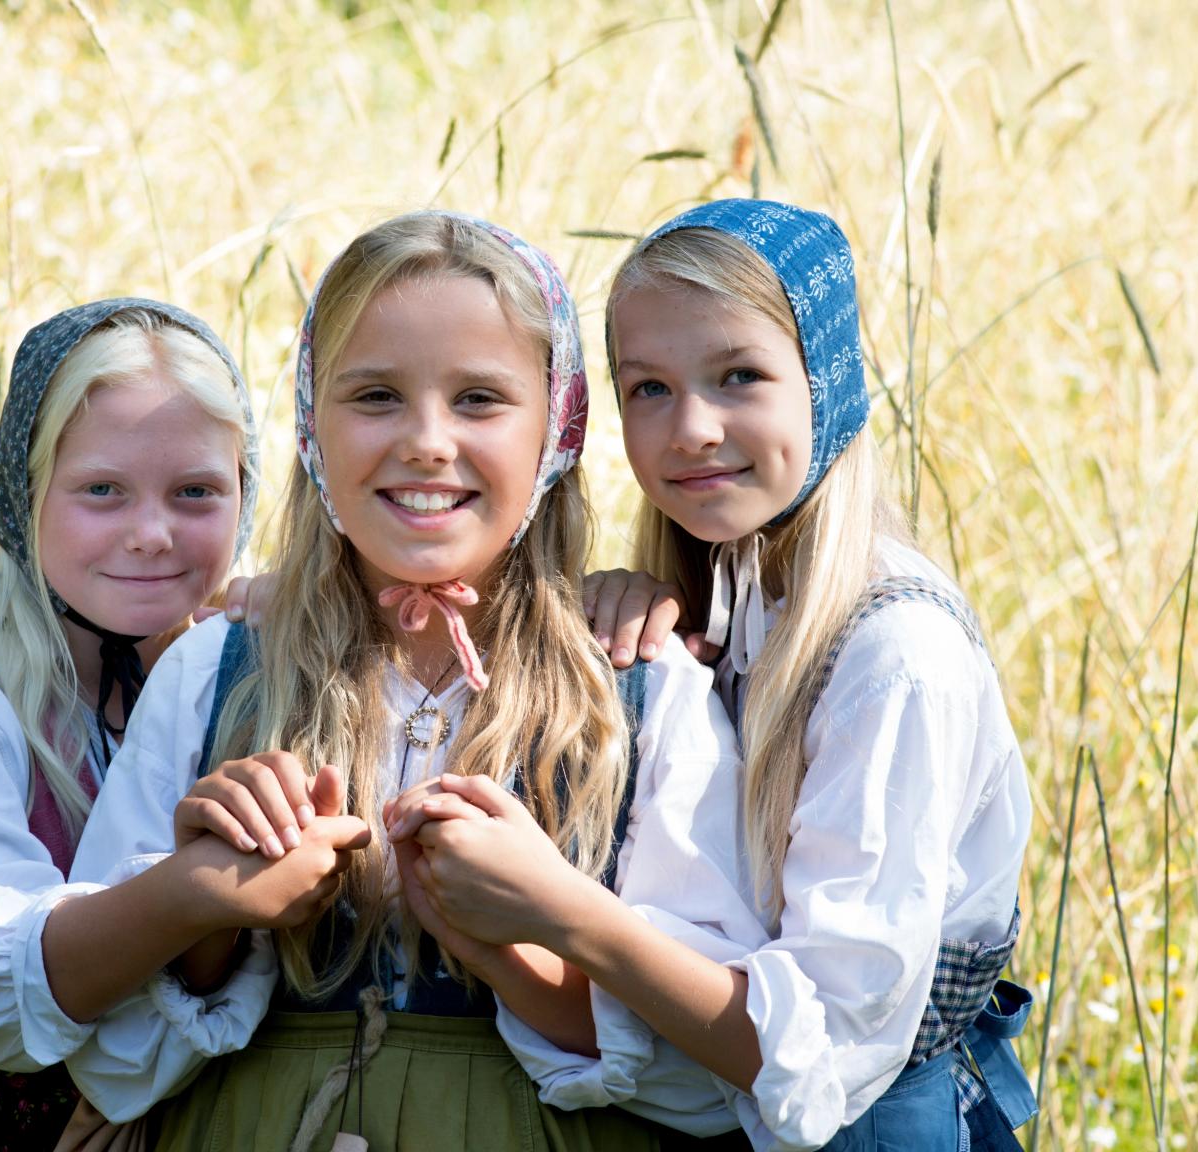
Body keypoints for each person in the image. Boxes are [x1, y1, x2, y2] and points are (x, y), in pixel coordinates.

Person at [64, 210, 746, 1150]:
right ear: (313, 426)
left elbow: (715, 1072)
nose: (428, 441)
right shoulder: (215, 669)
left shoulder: (637, 686)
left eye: (479, 399)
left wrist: (518, 947)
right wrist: (208, 902)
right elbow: (107, 1053)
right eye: (377, 396)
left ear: (556, 429)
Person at [394, 199, 1037, 1150]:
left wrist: (559, 909)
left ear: (825, 383)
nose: (691, 427)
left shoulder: (896, 658)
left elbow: (819, 1062)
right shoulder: (737, 590)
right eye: (649, 388)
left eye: (740, 376)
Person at [0, 298, 340, 1151]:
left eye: (195, 492)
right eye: (102, 491)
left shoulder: (257, 662)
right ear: (25, 494)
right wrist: (193, 893)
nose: (151, 534)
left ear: (244, 494)